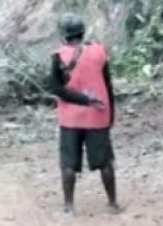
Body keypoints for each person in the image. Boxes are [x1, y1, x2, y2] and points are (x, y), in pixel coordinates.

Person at [49, 12, 118, 215]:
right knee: (105, 161)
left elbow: (57, 89)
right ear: (82, 32)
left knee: (69, 163)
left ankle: (69, 207)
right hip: (98, 115)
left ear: (63, 35)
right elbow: (108, 85)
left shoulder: (58, 57)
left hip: (70, 119)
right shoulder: (99, 52)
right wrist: (110, 113)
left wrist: (82, 100)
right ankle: (112, 203)